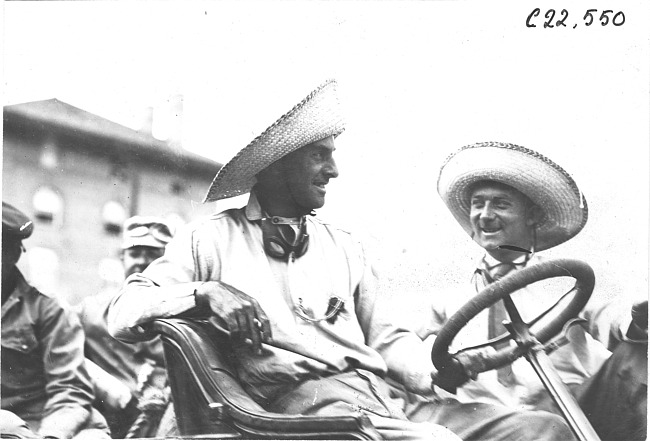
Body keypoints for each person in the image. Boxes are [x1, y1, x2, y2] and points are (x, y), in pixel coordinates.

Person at [107, 80, 574, 440]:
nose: (334, 170)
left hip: (387, 403)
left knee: (540, 430)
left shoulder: (345, 246)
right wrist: (204, 293)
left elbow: (387, 340)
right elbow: (122, 314)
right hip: (306, 418)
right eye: (320, 156)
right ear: (277, 163)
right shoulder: (209, 241)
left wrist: (439, 368)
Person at [419, 141, 645, 439]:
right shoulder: (449, 298)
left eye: (500, 204)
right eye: (478, 204)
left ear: (533, 216)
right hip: (497, 424)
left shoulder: (566, 280)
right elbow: (404, 351)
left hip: (576, 407)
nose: (485, 215)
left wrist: (639, 320)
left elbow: (613, 317)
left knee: (638, 354)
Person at [1, 201, 110, 439]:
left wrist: (51, 437)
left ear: (13, 255)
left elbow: (70, 389)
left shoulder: (47, 309)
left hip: (41, 426)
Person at [77, 216, 173, 438]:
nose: (142, 261)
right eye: (135, 253)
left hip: (166, 419)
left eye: (152, 254)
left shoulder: (182, 315)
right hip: (111, 421)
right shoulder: (90, 311)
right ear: (122, 257)